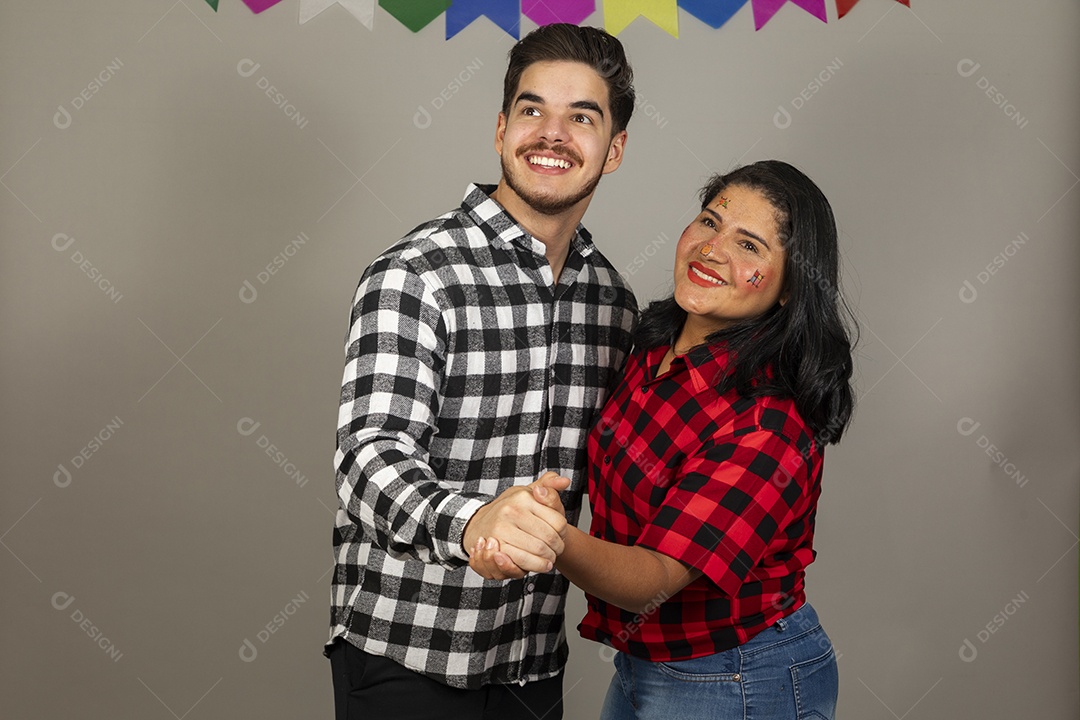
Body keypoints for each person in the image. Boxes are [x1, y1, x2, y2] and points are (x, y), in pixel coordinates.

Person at [325, 24, 639, 720]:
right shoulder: (415, 274)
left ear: (613, 149)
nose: (551, 134)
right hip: (405, 652)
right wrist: (472, 525)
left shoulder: (613, 304)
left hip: (530, 659)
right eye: (532, 110)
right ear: (501, 130)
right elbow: (367, 460)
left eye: (581, 117)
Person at [472, 160, 856, 720]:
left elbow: (653, 577)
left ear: (788, 288)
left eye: (749, 245)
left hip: (741, 677)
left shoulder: (768, 424)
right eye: (709, 221)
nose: (713, 249)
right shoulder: (655, 344)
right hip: (650, 661)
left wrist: (548, 535)